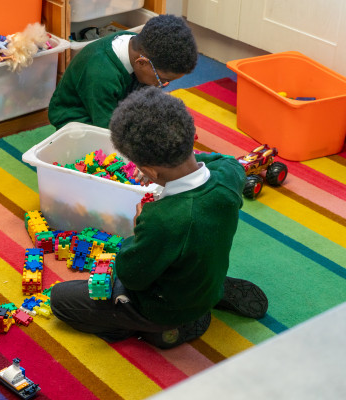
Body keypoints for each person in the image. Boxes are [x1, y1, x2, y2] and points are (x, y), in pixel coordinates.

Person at [50, 87, 268, 349]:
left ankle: (165, 327)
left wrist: (136, 230)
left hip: (164, 306)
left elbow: (132, 275)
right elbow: (217, 160)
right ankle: (211, 291)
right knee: (189, 256)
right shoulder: (229, 174)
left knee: (61, 300)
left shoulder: (162, 219)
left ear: (149, 171)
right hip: (204, 272)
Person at [48, 14, 198, 130]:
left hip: (115, 103)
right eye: (162, 80)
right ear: (141, 63)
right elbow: (107, 130)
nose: (161, 85)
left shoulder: (136, 46)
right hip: (77, 118)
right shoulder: (101, 74)